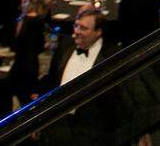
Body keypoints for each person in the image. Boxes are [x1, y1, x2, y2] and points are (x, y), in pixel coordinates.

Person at [37, 8, 126, 145]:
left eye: (83, 28)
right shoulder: (65, 45)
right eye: (76, 25)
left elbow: (120, 100)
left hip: (92, 132)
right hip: (58, 125)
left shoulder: (112, 56)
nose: (76, 31)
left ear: (98, 32)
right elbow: (52, 80)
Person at [7, 0, 57, 105]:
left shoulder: (25, 17)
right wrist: (34, 86)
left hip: (17, 70)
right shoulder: (36, 22)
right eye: (51, 1)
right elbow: (30, 55)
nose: (53, 3)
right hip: (26, 74)